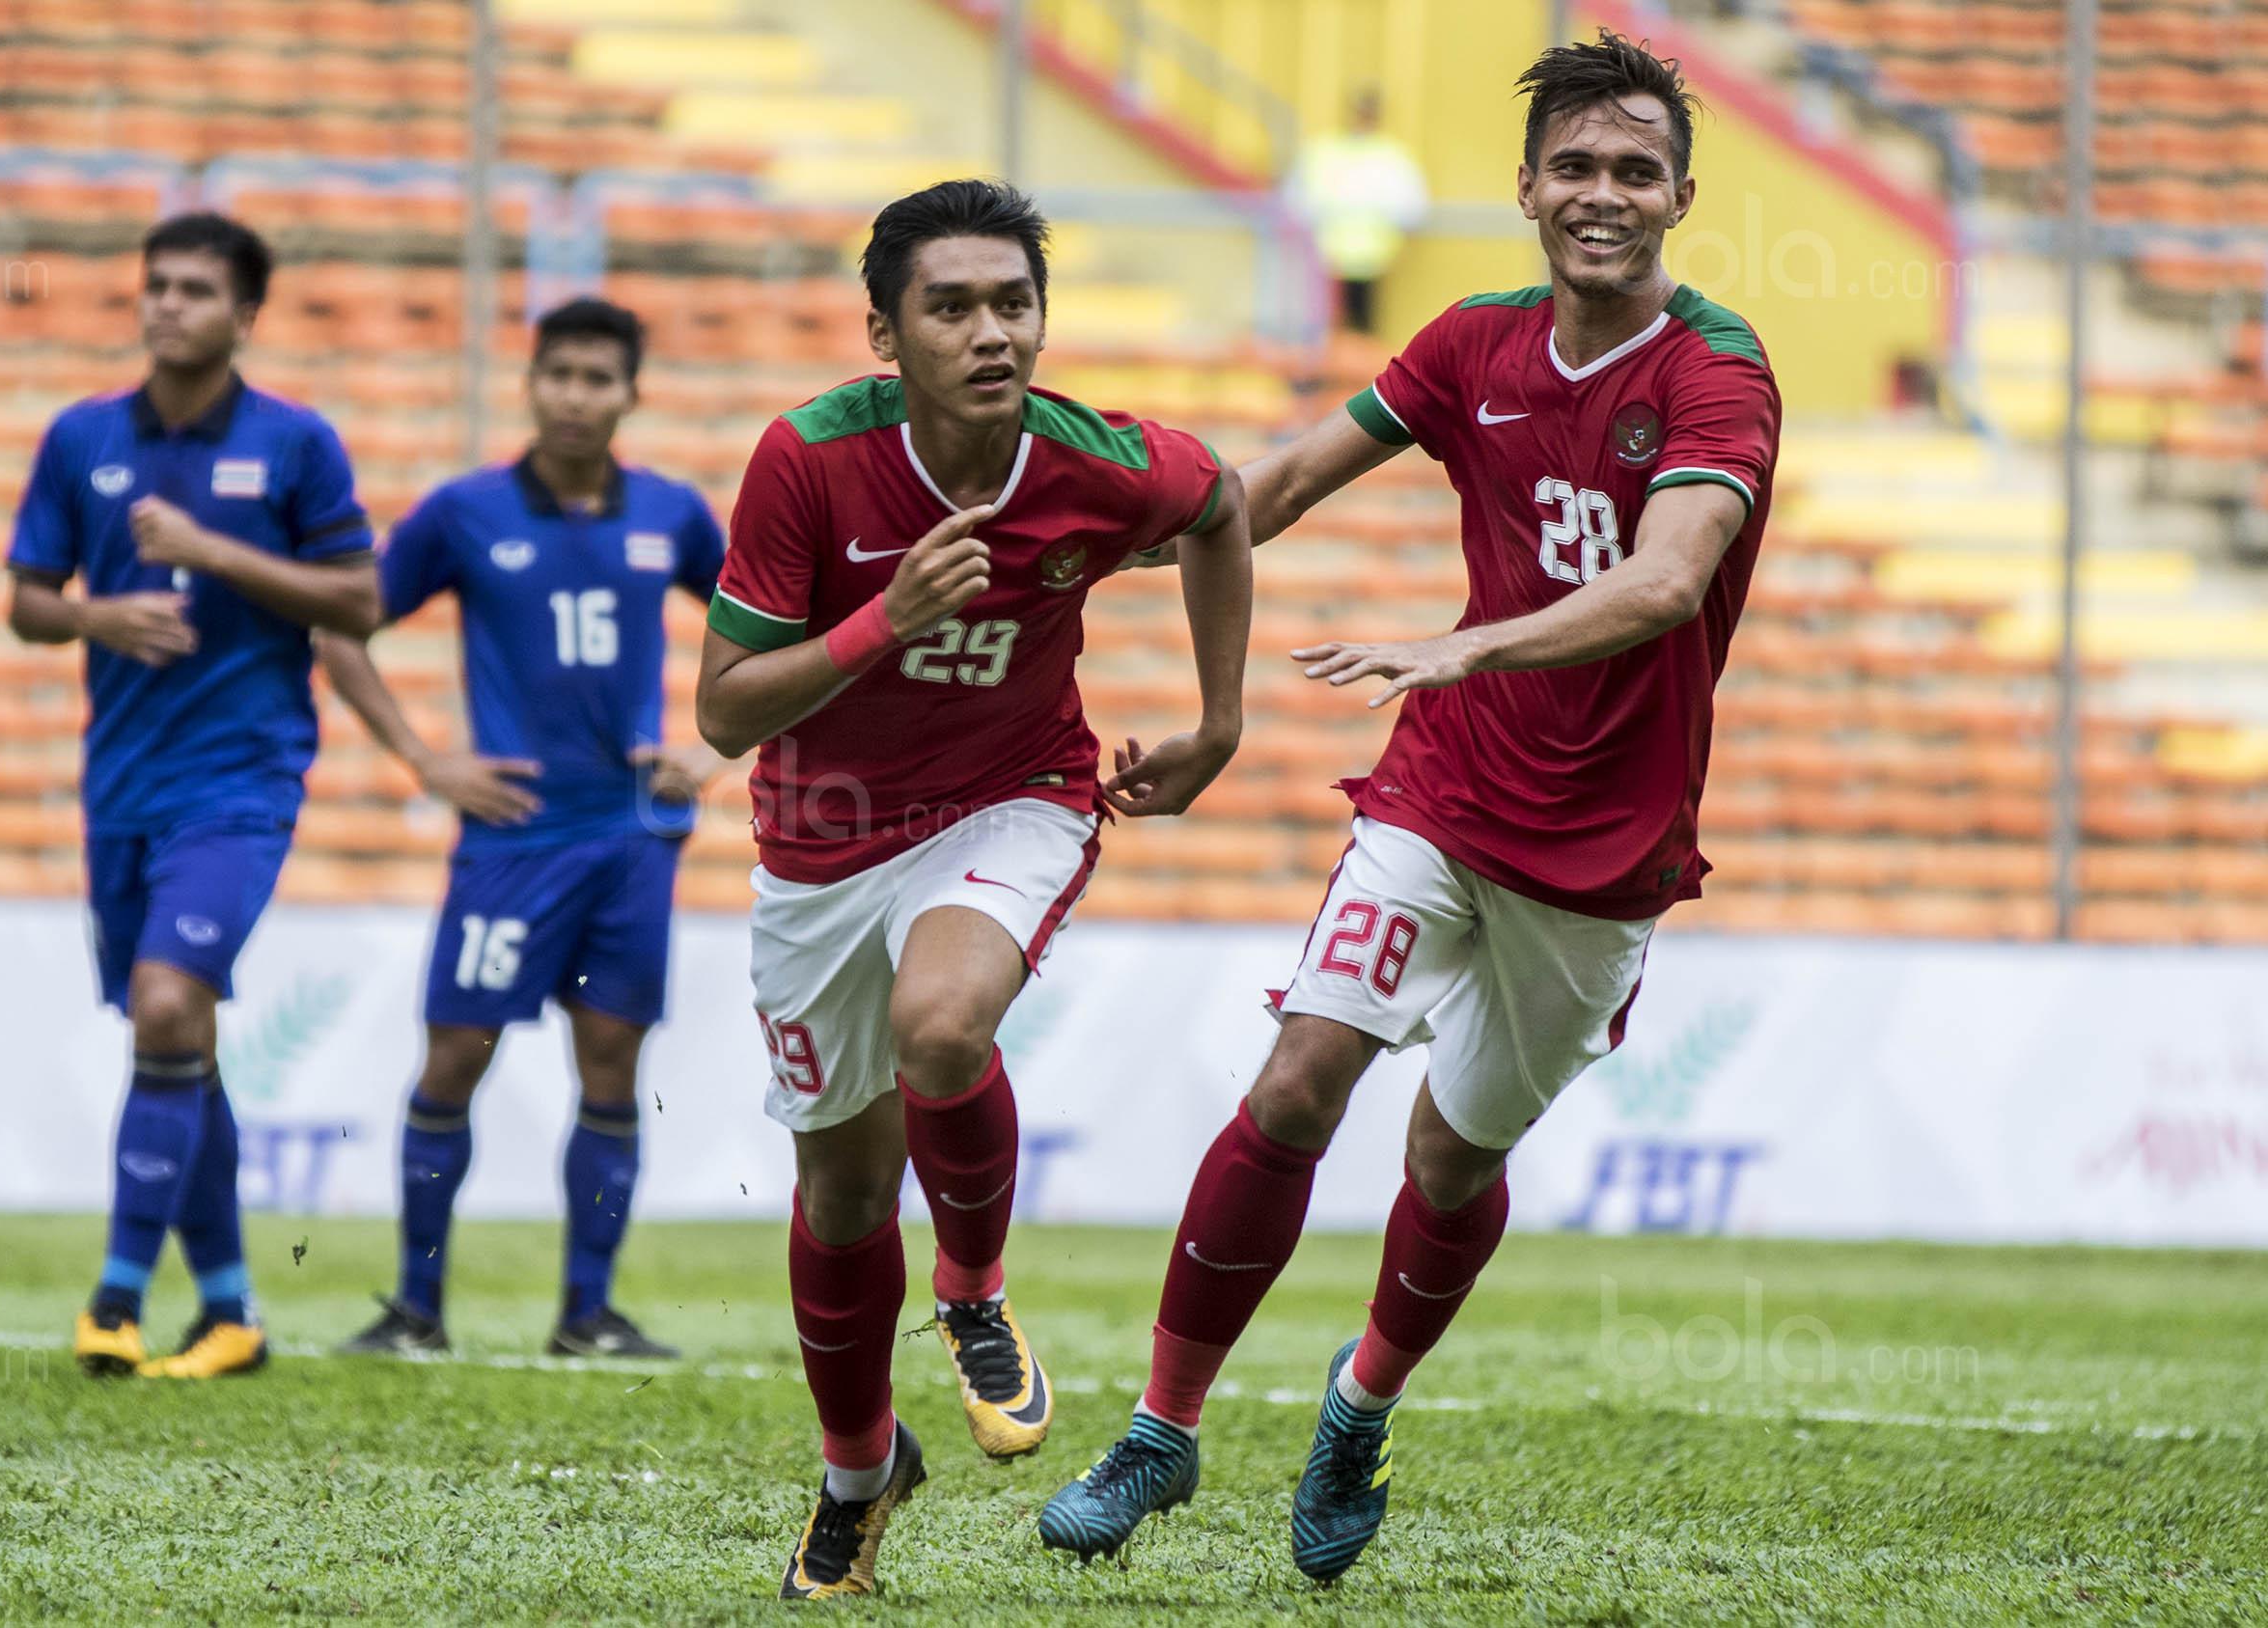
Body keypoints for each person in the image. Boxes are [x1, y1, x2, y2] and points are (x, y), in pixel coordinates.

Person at [1037, 33, 1782, 1582]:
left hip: (1603, 848)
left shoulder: (1718, 370)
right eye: (1573, 166)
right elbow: (1282, 480)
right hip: (1441, 789)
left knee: (1450, 1160)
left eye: (1634, 170)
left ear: (1682, 197)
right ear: (1524, 188)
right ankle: (1162, 1429)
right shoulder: (1469, 342)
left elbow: (1664, 584)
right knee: (1302, 1080)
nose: (1601, 194)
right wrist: (1096, 547)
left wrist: (1463, 643)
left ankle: (1359, 1404)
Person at [695, 179, 1255, 1600]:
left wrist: (1220, 719)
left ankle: (973, 1290)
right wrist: (890, 618)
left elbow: (1223, 502)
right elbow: (721, 710)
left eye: (1014, 303)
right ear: (886, 331)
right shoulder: (806, 461)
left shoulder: (1092, 461)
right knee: (837, 1190)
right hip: (821, 841)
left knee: (944, 1023)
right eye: (952, 306)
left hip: (1015, 796)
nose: (991, 331)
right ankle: (857, 1471)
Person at [317, 296, 729, 1361]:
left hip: (630, 844)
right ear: (531, 382)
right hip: (509, 843)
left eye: (600, 377)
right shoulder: (465, 512)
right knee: (455, 1057)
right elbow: (341, 620)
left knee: (610, 1068)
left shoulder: (673, 517)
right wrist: (424, 757)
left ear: (633, 393)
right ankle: (416, 1309)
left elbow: (778, 630)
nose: (576, 396)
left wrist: (719, 749)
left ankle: (586, 1315)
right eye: (560, 374)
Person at [6, 211, 381, 1380]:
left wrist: (214, 552)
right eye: (156, 285)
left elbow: (359, 603)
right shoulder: (80, 439)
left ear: (244, 314)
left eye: (196, 290)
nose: (169, 305)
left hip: (242, 779)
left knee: (170, 1003)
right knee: (182, 1036)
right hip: (120, 785)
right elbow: (26, 598)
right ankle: (230, 1309)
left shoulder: (294, 444)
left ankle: (114, 1299)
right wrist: (94, 616)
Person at [1289, 87, 1430, 336]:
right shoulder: (1325, 150)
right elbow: (1297, 201)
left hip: (1370, 264)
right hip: (1324, 262)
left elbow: (1411, 211)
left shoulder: (1391, 157)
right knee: (1323, 332)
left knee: (1360, 331)